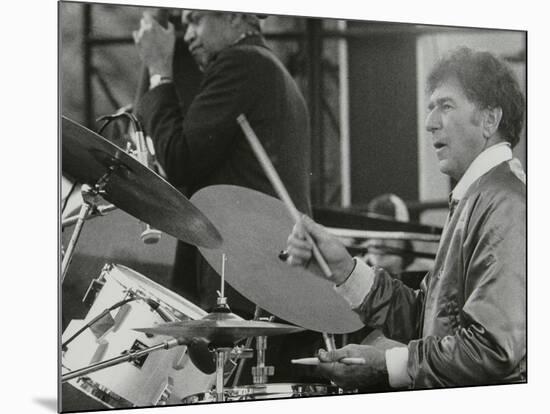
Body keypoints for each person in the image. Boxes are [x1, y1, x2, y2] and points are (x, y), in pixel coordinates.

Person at [285, 47, 526, 390]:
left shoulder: (505, 204)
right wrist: (345, 271)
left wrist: (386, 364)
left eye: (446, 105)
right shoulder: (478, 197)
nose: (429, 123)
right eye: (431, 108)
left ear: (490, 120)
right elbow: (424, 318)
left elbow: (493, 350)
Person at [133, 9, 319, 383]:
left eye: (197, 19)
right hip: (270, 274)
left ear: (237, 16)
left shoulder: (240, 64)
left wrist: (159, 73)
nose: (188, 34)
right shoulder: (266, 67)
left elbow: (180, 158)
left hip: (243, 275)